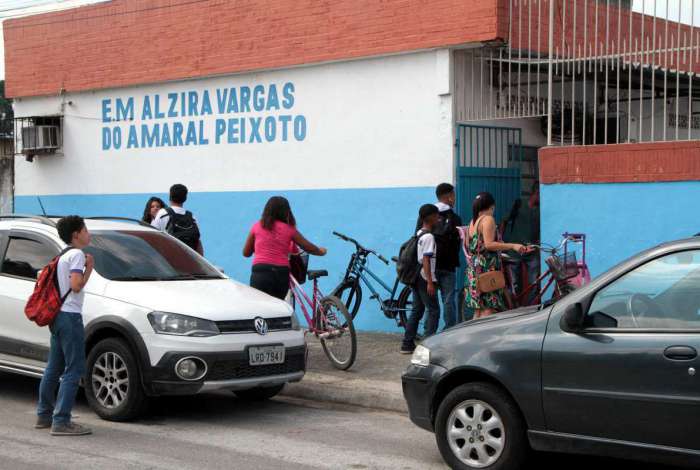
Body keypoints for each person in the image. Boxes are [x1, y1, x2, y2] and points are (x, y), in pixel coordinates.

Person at [36, 216, 94, 436]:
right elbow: (76, 286)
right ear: (76, 234)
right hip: (70, 316)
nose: (88, 233)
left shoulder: (62, 256)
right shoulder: (77, 255)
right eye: (85, 230)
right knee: (74, 369)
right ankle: (61, 421)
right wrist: (89, 267)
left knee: (54, 367)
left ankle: (44, 415)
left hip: (57, 316)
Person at [243, 196, 327, 300]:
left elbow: (246, 253)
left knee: (260, 309)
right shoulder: (289, 229)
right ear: (286, 212)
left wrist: (260, 248)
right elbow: (308, 247)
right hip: (280, 274)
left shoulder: (257, 226)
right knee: (278, 309)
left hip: (261, 273)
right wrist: (321, 251)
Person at [464, 192, 526, 319]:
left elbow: (469, 244)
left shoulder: (473, 222)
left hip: (475, 269)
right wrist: (512, 246)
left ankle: (474, 336)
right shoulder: (488, 219)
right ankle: (485, 338)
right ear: (492, 206)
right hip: (487, 270)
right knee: (489, 309)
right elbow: (489, 244)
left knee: (479, 310)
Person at [416, 183, 463, 330]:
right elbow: (459, 242)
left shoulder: (426, 215)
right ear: (449, 197)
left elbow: (417, 238)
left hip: (429, 266)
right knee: (448, 300)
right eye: (453, 195)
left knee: (431, 306)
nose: (454, 198)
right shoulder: (455, 218)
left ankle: (428, 333)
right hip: (448, 265)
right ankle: (450, 331)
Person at [401, 204, 441, 354]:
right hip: (424, 277)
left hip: (416, 278)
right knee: (434, 310)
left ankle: (407, 344)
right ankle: (428, 346)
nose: (438, 218)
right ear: (430, 217)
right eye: (437, 216)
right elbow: (425, 259)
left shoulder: (419, 233)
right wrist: (430, 282)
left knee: (417, 310)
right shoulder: (429, 236)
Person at [501, 183, 540, 304]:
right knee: (515, 283)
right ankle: (515, 306)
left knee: (535, 281)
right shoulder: (519, 204)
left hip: (531, 250)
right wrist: (501, 241)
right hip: (515, 250)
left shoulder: (540, 209)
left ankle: (530, 306)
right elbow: (504, 221)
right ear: (536, 193)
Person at [152, 184, 204, 255]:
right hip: (189, 260)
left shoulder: (163, 213)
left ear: (170, 197)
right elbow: (198, 242)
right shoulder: (192, 217)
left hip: (170, 260)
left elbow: (153, 238)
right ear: (185, 198)